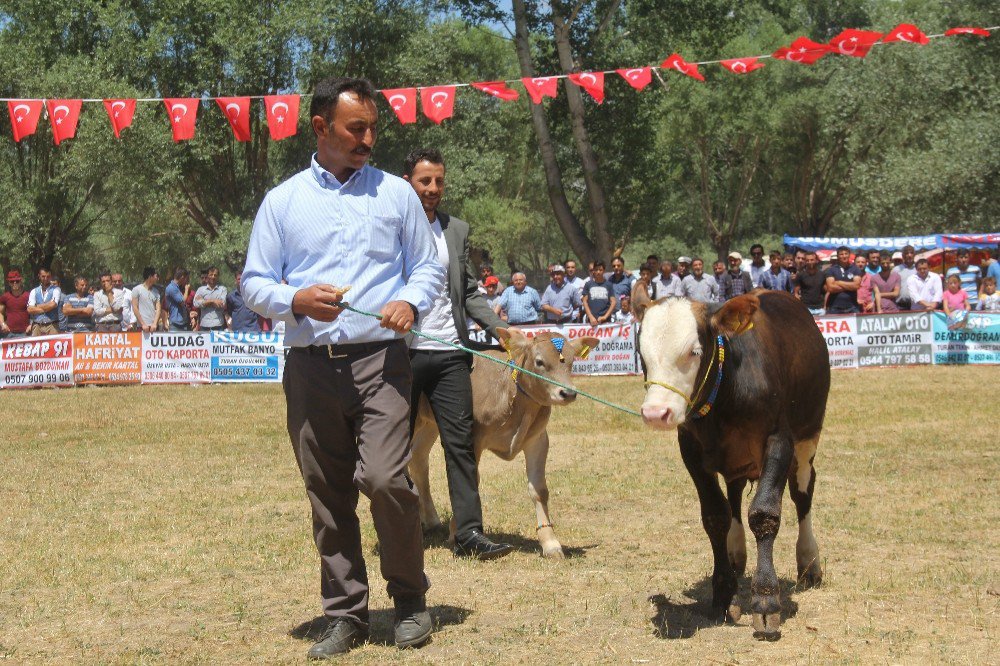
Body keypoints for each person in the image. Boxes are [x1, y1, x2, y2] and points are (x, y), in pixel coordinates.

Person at [241, 77, 444, 658]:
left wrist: (409, 301)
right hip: (310, 368)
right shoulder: (283, 201)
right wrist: (294, 300)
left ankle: (409, 600)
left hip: (382, 360)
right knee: (327, 495)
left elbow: (425, 268)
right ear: (320, 128)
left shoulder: (398, 196)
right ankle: (347, 614)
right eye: (356, 127)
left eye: (373, 127)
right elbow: (255, 281)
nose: (367, 139)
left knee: (384, 478)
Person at [401, 147, 514, 561]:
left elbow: (466, 291)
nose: (433, 189)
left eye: (439, 181)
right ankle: (399, 528)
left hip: (451, 352)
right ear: (407, 182)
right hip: (405, 353)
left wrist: (499, 329)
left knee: (461, 444)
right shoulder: (390, 227)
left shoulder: (456, 230)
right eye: (424, 181)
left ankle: (468, 532)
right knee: (395, 445)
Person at [824, 246, 863, 314]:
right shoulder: (831, 270)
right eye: (841, 254)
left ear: (849, 255)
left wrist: (839, 282)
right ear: (838, 256)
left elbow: (856, 286)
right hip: (834, 307)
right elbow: (830, 288)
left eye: (846, 254)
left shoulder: (855, 269)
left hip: (852, 306)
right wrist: (850, 287)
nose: (844, 256)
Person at [26, 268, 61, 336]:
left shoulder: (56, 289)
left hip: (52, 325)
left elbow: (53, 304)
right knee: (35, 345)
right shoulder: (34, 291)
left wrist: (36, 307)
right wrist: (47, 307)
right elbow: (29, 309)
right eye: (43, 276)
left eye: (48, 276)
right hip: (37, 325)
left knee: (52, 346)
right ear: (39, 276)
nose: (45, 278)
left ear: (51, 276)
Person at [581, 260, 616, 326]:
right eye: (596, 270)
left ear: (604, 271)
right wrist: (590, 317)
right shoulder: (588, 284)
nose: (598, 272)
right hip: (591, 320)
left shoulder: (608, 285)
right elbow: (584, 301)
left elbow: (613, 302)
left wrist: (605, 316)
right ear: (593, 271)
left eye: (600, 270)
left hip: (605, 320)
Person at [194, 267, 228, 331]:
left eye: (215, 275)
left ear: (218, 277)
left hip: (218, 324)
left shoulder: (223, 289)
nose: (213, 277)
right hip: (204, 325)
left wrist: (204, 301)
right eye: (211, 275)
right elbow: (196, 303)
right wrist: (213, 301)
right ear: (207, 276)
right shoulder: (200, 290)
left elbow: (222, 304)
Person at [794, 251, 827, 316]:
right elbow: (796, 293)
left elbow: (827, 291)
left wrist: (825, 306)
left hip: (820, 309)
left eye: (812, 260)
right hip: (806, 308)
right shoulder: (800, 275)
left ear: (817, 260)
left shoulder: (822, 275)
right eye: (807, 260)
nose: (809, 262)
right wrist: (800, 306)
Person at [1, 270, 30, 338]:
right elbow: (0, 313)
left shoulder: (28, 296)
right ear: (9, 283)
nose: (15, 283)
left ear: (21, 281)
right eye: (12, 281)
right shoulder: (5, 297)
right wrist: (3, 324)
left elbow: (34, 313)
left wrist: (31, 325)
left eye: (17, 281)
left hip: (25, 332)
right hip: (9, 333)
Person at [132, 267, 161, 333]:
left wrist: (155, 323)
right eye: (156, 276)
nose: (158, 278)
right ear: (150, 276)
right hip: (142, 327)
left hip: (154, 327)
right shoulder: (137, 289)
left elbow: (158, 308)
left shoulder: (156, 292)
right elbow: (135, 307)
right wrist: (143, 324)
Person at [892, 245, 918, 310]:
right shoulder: (896, 270)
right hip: (900, 306)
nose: (909, 255)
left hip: (917, 305)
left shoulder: (919, 269)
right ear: (903, 256)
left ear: (914, 255)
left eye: (911, 253)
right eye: (906, 253)